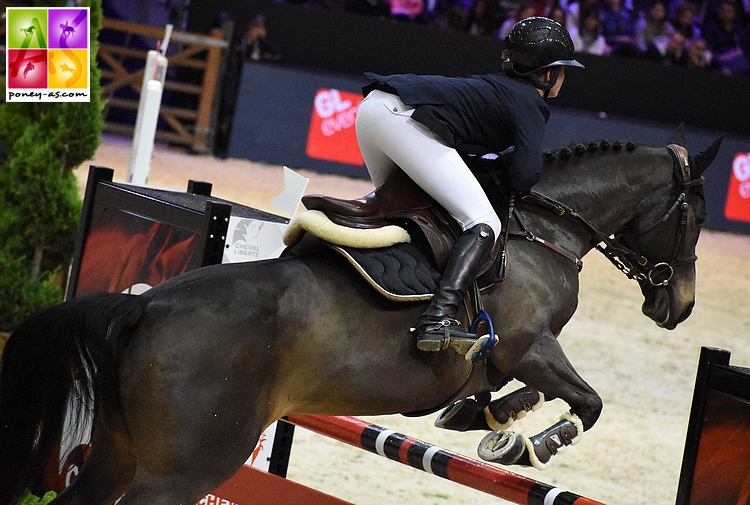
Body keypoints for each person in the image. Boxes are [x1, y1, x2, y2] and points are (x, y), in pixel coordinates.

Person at [339, 17, 584, 352]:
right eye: (562, 70)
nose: (564, 78)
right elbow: (524, 178)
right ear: (546, 73)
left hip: (373, 111)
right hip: (401, 120)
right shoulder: (530, 102)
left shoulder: (500, 86)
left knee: (409, 209)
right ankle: (437, 317)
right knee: (484, 223)